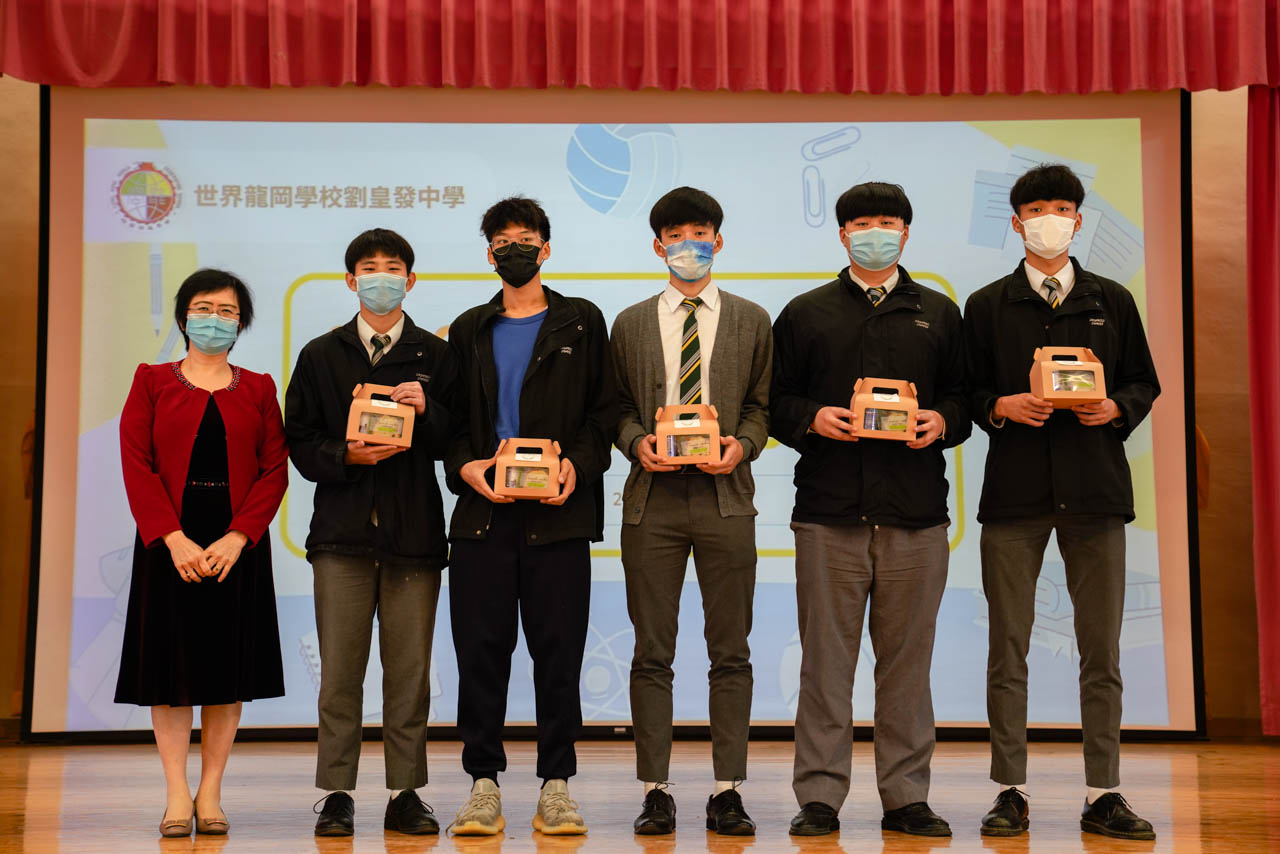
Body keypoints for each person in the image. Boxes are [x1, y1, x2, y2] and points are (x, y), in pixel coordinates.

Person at [964, 163, 1159, 841]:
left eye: (1062, 208)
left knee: (1100, 650)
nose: (1050, 219)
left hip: (1096, 492)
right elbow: (966, 393)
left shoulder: (1113, 299)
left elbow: (1142, 381)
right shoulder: (987, 304)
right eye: (1036, 209)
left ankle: (1104, 792)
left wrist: (1116, 407)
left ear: (1078, 219)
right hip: (1014, 495)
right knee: (1007, 647)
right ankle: (1009, 790)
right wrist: (1001, 405)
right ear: (1017, 221)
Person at [770, 182, 970, 838]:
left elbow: (963, 399)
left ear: (905, 234)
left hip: (916, 515)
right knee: (825, 665)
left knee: (907, 665)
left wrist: (941, 421)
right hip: (829, 514)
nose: (874, 233)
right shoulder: (806, 312)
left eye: (887, 223)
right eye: (861, 224)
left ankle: (906, 797)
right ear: (842, 235)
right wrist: (813, 418)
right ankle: (819, 797)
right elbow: (774, 401)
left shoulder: (939, 313)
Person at [444, 196, 617, 837]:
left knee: (558, 651)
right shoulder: (469, 328)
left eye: (525, 238)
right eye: (502, 241)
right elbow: (452, 423)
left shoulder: (581, 320)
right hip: (483, 516)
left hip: (557, 516)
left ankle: (557, 786)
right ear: (488, 253)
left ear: (546, 248)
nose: (513, 249)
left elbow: (604, 413)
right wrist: (466, 468)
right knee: (480, 652)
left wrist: (577, 466)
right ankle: (482, 785)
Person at [284, 228, 456, 837]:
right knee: (340, 672)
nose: (381, 277)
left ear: (411, 280)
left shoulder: (436, 356)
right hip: (342, 537)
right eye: (369, 267)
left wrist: (427, 410)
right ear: (351, 280)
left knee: (409, 675)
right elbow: (299, 440)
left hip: (414, 538)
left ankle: (406, 792)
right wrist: (346, 455)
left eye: (393, 268)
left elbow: (457, 439)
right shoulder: (321, 354)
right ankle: (336, 793)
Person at [610, 187, 771, 836]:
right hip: (652, 504)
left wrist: (742, 446)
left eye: (700, 234)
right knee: (652, 652)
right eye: (676, 236)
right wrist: (635, 443)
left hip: (725, 501)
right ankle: (656, 790)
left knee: (731, 650)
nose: (688, 246)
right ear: (658, 247)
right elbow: (617, 409)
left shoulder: (752, 320)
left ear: (718, 241)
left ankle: (728, 790)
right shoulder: (629, 323)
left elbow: (761, 407)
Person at [116, 269, 288, 838]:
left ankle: (210, 791)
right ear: (184, 315)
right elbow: (136, 462)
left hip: (236, 545)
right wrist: (172, 537)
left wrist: (239, 536)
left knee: (225, 672)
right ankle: (175, 794)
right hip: (168, 542)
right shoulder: (150, 380)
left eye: (227, 311)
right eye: (204, 308)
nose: (215, 319)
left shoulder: (259, 388)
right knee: (169, 673)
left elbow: (274, 470)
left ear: (242, 323)